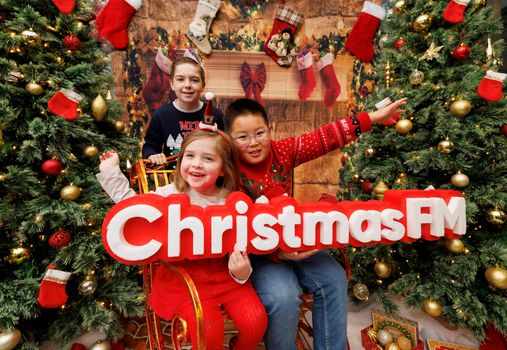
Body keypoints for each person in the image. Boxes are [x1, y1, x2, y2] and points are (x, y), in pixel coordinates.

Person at [223, 97, 408, 350]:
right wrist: (278, 253)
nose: (253, 143)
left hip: (295, 239)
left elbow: (325, 137)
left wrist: (373, 118)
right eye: (242, 137)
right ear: (228, 140)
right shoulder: (227, 167)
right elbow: (225, 228)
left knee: (333, 278)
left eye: (259, 133)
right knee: (284, 297)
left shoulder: (282, 151)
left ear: (270, 129)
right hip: (257, 255)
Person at [97, 129, 268, 350]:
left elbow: (247, 241)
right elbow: (134, 209)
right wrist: (111, 173)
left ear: (224, 169)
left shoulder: (232, 201)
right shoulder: (170, 194)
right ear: (181, 161)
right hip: (184, 280)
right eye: (190, 155)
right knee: (209, 328)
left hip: (226, 277)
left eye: (208, 158)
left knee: (256, 321)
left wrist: (243, 271)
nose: (196, 164)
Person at [142, 56, 224, 165]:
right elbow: (150, 146)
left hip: (206, 176)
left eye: (194, 80)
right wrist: (152, 155)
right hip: (173, 176)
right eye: (180, 79)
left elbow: (226, 148)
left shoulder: (215, 115)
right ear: (172, 84)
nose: (187, 85)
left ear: (203, 86)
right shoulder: (161, 115)